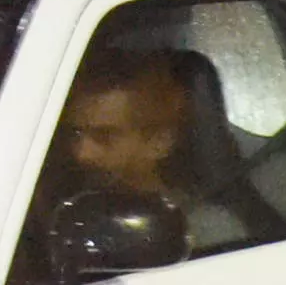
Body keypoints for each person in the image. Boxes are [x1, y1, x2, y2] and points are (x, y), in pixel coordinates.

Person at [50, 50, 262, 256]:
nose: (82, 153)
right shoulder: (58, 217)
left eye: (105, 136)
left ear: (159, 142)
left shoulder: (206, 231)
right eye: (76, 134)